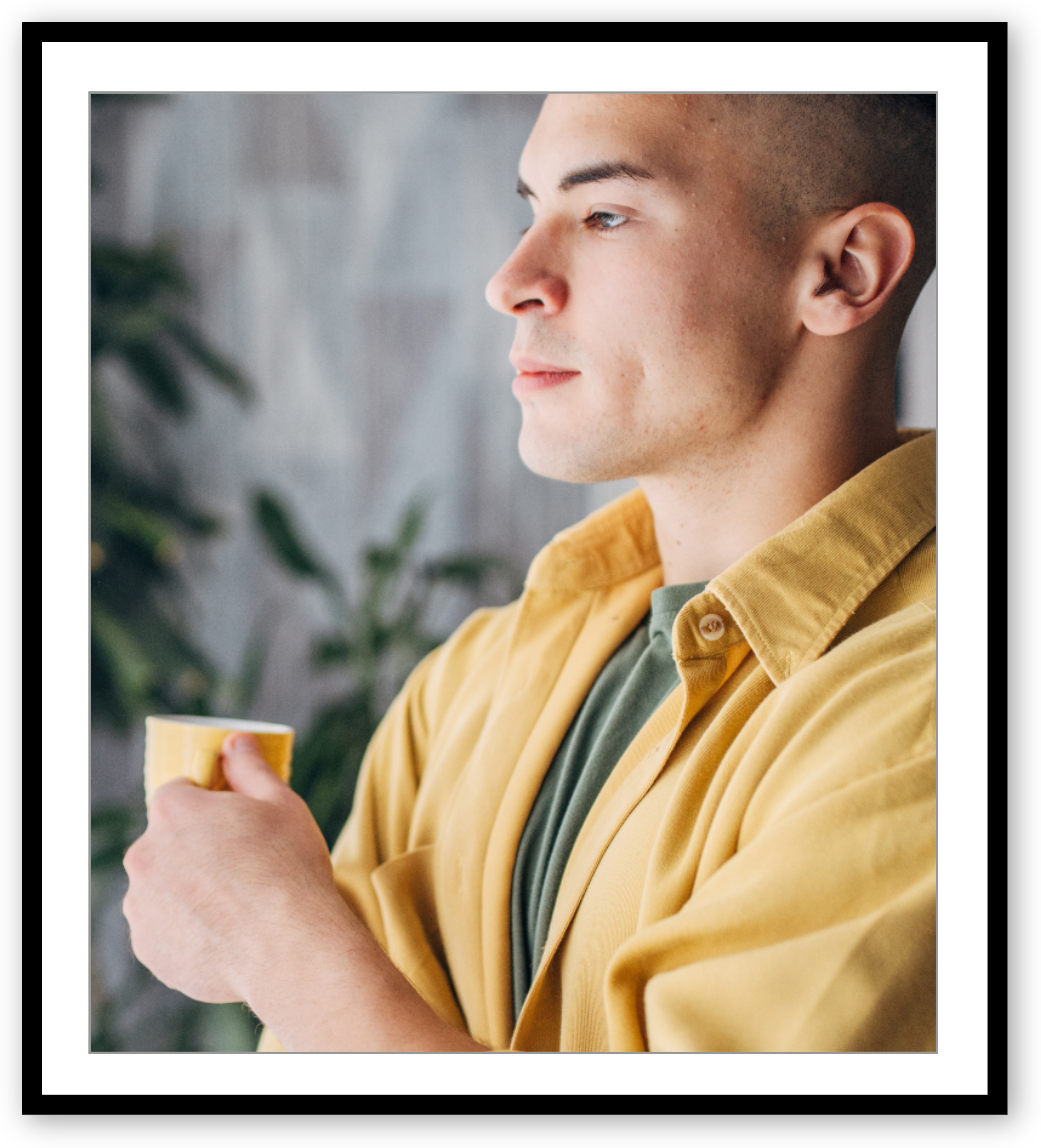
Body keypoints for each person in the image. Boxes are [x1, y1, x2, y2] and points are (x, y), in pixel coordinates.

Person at [122, 93, 937, 1052]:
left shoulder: (936, 721)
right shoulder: (467, 684)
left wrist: (281, 946)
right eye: (529, 213)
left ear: (844, 271)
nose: (511, 280)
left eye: (603, 216)